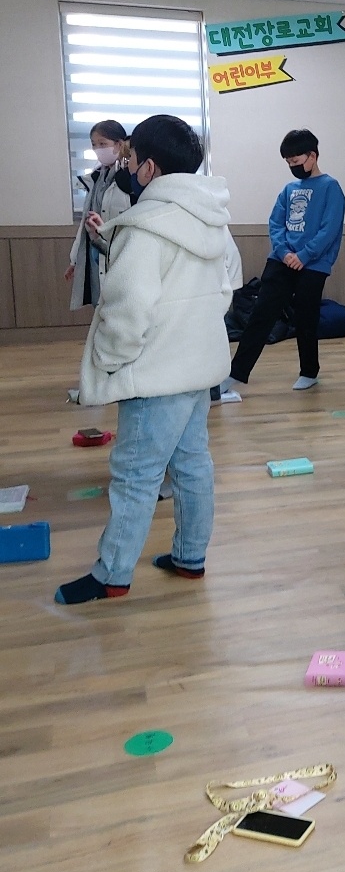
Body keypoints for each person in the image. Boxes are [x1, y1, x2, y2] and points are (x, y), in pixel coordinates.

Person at [54, 115, 233, 604]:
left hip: (154, 374)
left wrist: (111, 361)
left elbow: (127, 311)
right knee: (192, 465)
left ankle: (111, 574)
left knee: (135, 475)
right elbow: (224, 289)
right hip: (197, 366)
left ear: (149, 167)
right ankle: (190, 557)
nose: (125, 166)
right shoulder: (210, 217)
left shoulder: (146, 226)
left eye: (130, 158)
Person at [222, 129, 345, 392]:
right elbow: (275, 224)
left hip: (313, 264)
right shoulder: (289, 189)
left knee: (306, 317)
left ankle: (309, 371)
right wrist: (284, 252)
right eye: (288, 162)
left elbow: (329, 229)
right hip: (282, 259)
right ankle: (237, 373)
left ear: (312, 156)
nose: (292, 166)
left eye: (296, 161)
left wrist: (304, 255)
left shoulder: (331, 187)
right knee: (261, 313)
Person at [65, 120, 130, 309]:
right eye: (94, 144)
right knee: (100, 306)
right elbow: (85, 224)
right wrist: (75, 260)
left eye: (103, 144)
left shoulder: (130, 179)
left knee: (120, 305)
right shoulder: (95, 179)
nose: (97, 149)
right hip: (95, 251)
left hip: (120, 252)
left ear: (119, 144)